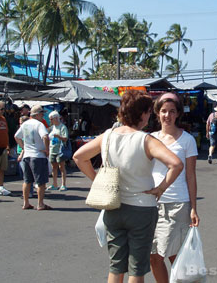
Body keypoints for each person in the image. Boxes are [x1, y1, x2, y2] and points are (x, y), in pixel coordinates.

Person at [73, 90, 183, 283]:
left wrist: (97, 179)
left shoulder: (107, 136)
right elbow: (176, 164)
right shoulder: (146, 140)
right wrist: (161, 188)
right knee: (137, 269)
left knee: (116, 267)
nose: (150, 115)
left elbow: (79, 157)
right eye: (149, 112)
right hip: (142, 208)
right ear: (142, 114)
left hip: (114, 206)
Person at [149, 92, 200, 283]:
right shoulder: (150, 138)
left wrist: (194, 207)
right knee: (154, 256)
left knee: (174, 256)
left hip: (177, 204)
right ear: (157, 113)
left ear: (178, 114)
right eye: (163, 111)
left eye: (171, 111)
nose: (167, 116)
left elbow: (191, 175)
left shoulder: (187, 140)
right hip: (151, 204)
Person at [14, 105, 52, 210]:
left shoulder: (25, 124)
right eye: (42, 113)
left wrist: (24, 148)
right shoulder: (39, 124)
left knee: (27, 180)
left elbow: (17, 137)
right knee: (41, 182)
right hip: (38, 155)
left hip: (27, 155)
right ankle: (40, 203)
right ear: (38, 114)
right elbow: (45, 136)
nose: (43, 115)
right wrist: (47, 149)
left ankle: (26, 202)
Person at [46, 111, 69, 191]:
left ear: (56, 118)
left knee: (61, 167)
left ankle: (63, 184)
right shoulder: (52, 128)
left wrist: (59, 137)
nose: (50, 121)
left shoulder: (62, 127)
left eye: (51, 119)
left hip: (60, 150)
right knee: (54, 167)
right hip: (52, 149)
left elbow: (65, 138)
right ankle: (54, 184)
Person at [17, 115, 34, 198]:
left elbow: (26, 145)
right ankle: (28, 191)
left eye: (21, 123)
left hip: (25, 155)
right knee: (23, 175)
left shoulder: (27, 132)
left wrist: (21, 154)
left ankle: (29, 192)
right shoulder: (21, 131)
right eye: (19, 123)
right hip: (20, 153)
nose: (20, 125)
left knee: (27, 175)